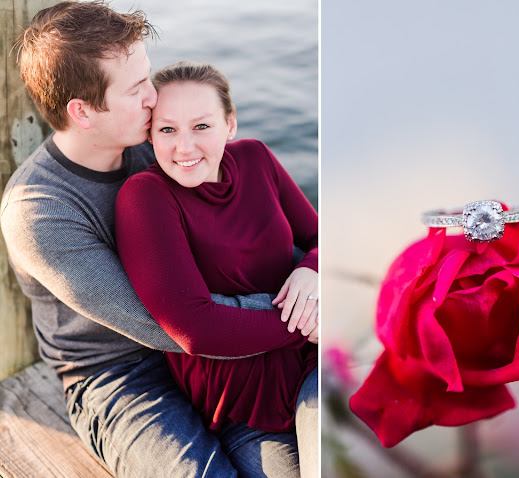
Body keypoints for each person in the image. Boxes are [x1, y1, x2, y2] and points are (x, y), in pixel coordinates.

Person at [0, 2, 316, 477]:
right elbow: (166, 326)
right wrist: (302, 314)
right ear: (82, 111)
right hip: (122, 376)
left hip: (226, 356)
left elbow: (258, 217)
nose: (154, 97)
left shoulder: (161, 145)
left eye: (147, 77)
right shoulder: (40, 211)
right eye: (136, 89)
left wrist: (314, 269)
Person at [114, 61, 319, 478]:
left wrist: (313, 270)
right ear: (149, 135)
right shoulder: (145, 196)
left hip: (316, 363)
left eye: (202, 126)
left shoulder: (256, 157)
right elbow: (194, 328)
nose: (185, 148)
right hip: (243, 406)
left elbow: (319, 237)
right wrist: (309, 321)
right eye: (167, 130)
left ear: (230, 125)